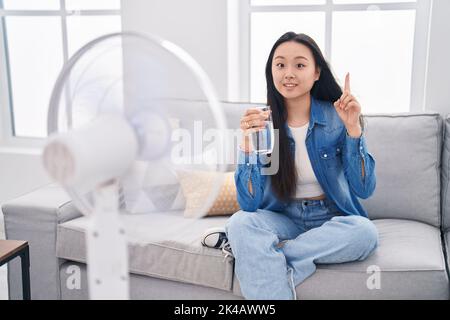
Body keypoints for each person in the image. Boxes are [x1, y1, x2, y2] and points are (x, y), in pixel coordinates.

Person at [202, 32, 378, 300]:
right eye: (280, 64)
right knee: (241, 222)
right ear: (271, 71)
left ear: (317, 72)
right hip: (282, 217)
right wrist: (247, 146)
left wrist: (353, 129)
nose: (288, 73)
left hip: (331, 217)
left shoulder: (338, 116)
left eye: (300, 64)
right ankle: (252, 246)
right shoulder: (263, 123)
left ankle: (262, 255)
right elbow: (249, 204)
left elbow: (364, 189)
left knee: (365, 233)